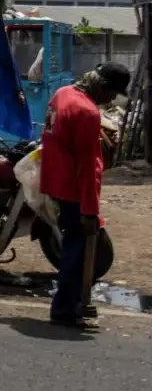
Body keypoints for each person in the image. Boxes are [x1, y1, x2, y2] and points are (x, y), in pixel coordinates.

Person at [39, 62, 130, 327]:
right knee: (76, 253)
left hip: (54, 180)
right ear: (101, 87)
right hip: (74, 189)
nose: (112, 100)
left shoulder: (63, 94)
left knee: (73, 248)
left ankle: (72, 304)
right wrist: (89, 211)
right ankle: (65, 310)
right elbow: (89, 169)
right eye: (112, 93)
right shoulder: (87, 112)